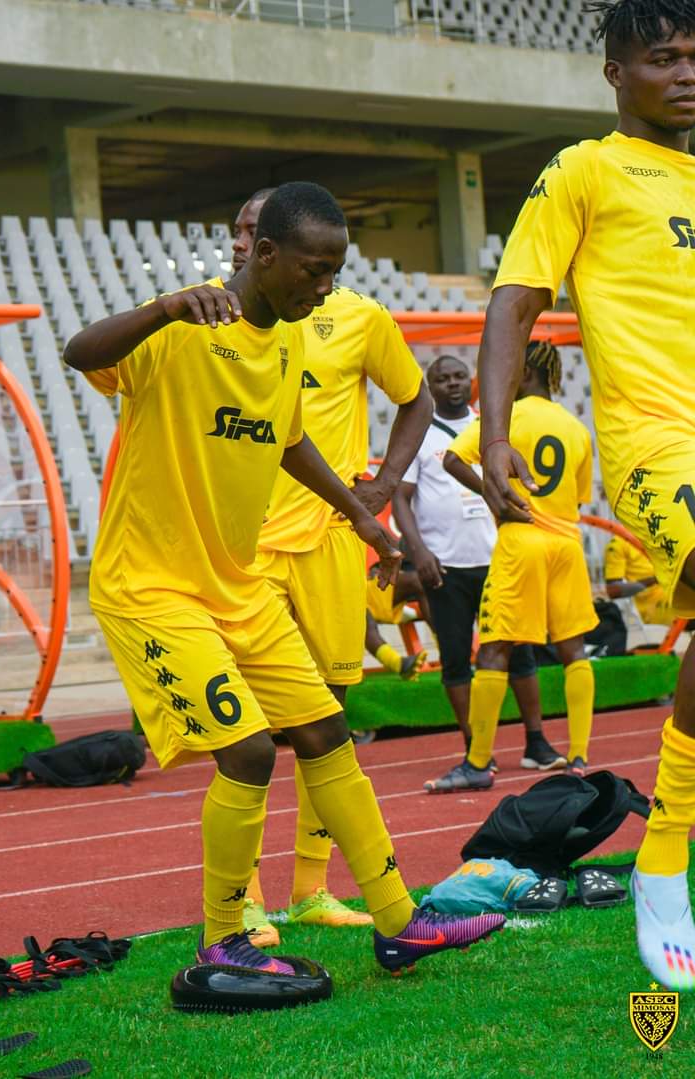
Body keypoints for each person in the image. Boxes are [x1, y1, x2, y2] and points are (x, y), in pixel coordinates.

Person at [64, 182, 503, 987]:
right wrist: (163, 309)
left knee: (326, 730)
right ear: (263, 254)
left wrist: (364, 515)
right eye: (313, 269)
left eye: (334, 272)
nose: (324, 287)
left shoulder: (291, 343)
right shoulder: (181, 329)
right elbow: (79, 351)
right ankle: (223, 940)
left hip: (236, 586)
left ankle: (401, 923)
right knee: (250, 748)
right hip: (151, 587)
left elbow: (289, 441)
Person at [474, 0, 695, 990]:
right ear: (616, 74)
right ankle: (664, 855)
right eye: (662, 58)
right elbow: (516, 298)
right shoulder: (585, 170)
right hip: (661, 442)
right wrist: (489, 430)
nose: (685, 73)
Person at [230, 187, 432, 945]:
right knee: (244, 729)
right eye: (243, 231)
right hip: (241, 546)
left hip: (329, 543)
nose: (250, 243)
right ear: (242, 242)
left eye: (261, 230)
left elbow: (413, 400)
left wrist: (378, 488)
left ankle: (311, 888)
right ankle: (241, 898)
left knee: (331, 715)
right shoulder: (213, 324)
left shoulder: (357, 319)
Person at [391, 354, 564, 793]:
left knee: (520, 653)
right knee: (455, 659)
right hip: (445, 564)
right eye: (441, 379)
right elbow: (401, 500)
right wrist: (419, 551)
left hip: (499, 557)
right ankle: (475, 749)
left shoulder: (492, 427)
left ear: (470, 381)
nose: (452, 384)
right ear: (429, 387)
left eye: (458, 376)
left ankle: (537, 742)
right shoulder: (419, 436)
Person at [443, 341, 598, 790]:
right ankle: (580, 756)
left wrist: (493, 493)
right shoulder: (575, 427)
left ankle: (477, 763)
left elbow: (454, 458)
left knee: (494, 649)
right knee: (574, 650)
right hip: (566, 544)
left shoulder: (503, 420)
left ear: (523, 370)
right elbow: (580, 496)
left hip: (521, 541)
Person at [365, 562, 429, 679]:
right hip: (364, 590)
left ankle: (448, 648)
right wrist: (376, 569)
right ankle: (398, 663)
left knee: (424, 581)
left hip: (386, 590)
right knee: (360, 613)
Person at [604, 534, 672, 625]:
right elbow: (613, 590)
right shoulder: (618, 543)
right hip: (652, 604)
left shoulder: (659, 534)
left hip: (672, 590)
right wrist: (656, 579)